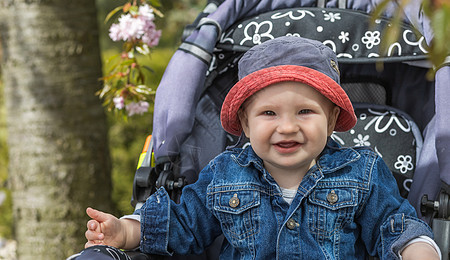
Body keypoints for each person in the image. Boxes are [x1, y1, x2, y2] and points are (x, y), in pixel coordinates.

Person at [76, 36, 441, 259]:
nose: (287, 127)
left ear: (331, 121)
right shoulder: (224, 174)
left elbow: (393, 225)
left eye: (305, 112)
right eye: (269, 113)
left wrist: (418, 249)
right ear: (246, 123)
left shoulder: (361, 173)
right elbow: (183, 223)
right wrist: (127, 231)